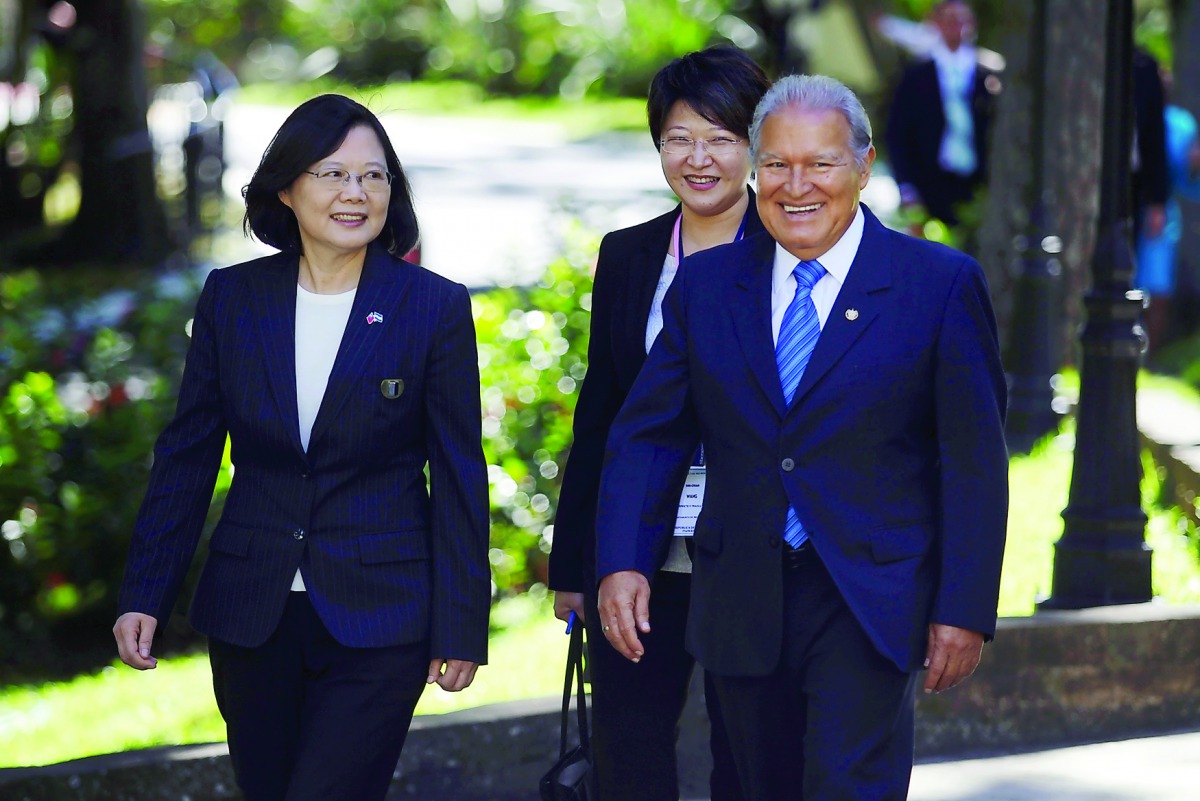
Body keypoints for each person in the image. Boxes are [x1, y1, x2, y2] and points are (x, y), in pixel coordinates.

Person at [596, 74, 1008, 800]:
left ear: (864, 165)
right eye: (778, 164)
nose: (797, 185)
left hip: (869, 594)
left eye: (820, 162)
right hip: (742, 592)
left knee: (848, 784)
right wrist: (624, 559)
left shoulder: (936, 284)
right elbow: (648, 434)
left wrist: (963, 607)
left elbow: (972, 462)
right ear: (756, 170)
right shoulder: (709, 285)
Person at [112, 94, 490, 801]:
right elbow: (188, 455)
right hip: (253, 611)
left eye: (374, 177)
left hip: (383, 614)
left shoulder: (432, 305)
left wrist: (463, 622)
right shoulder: (232, 297)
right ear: (286, 188)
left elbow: (459, 472)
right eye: (331, 173)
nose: (355, 193)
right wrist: (145, 592)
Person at [548, 45, 770, 801]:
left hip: (752, 548)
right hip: (638, 552)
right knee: (629, 749)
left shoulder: (788, 250)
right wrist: (578, 561)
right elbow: (603, 409)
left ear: (755, 145)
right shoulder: (631, 253)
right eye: (679, 138)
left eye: (720, 138)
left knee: (749, 752)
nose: (698, 158)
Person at [884, 0, 1001, 227]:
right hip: (930, 181)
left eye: (962, 20)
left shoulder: (987, 72)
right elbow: (898, 132)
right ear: (935, 24)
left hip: (978, 181)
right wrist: (906, 187)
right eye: (949, 20)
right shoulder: (917, 74)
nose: (956, 26)